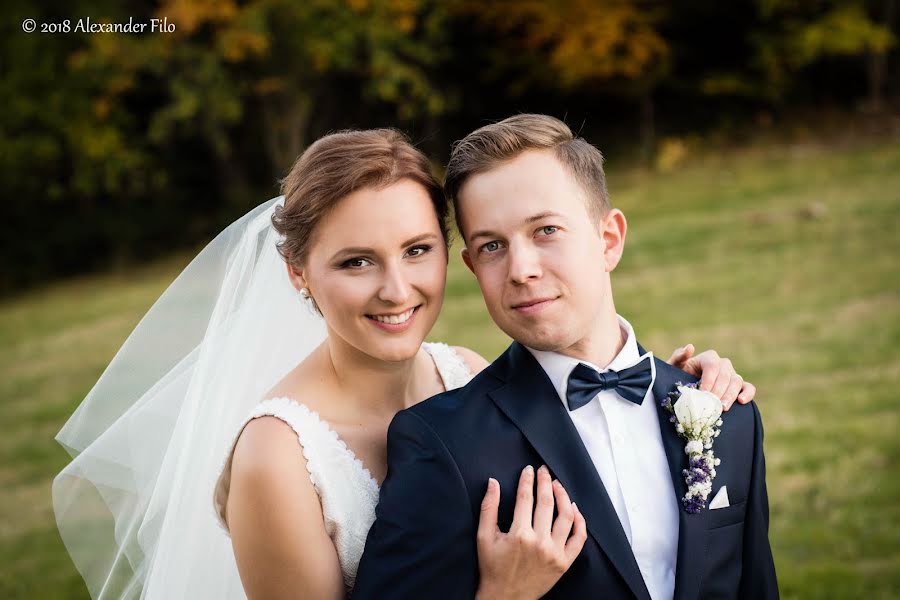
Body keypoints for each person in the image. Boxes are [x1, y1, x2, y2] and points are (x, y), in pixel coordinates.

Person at [52, 127, 756, 599]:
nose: (397, 289)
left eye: (418, 250)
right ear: (297, 273)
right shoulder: (276, 456)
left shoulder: (466, 372)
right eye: (356, 262)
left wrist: (686, 387)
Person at [353, 116, 778, 599]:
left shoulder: (725, 411)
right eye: (492, 246)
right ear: (472, 267)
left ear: (608, 240)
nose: (522, 270)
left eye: (546, 230)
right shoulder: (444, 444)